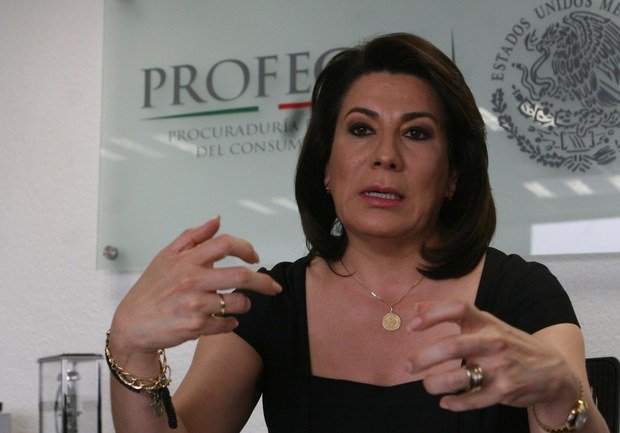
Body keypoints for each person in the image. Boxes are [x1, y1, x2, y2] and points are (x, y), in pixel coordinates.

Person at [108, 33, 609, 433]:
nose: (385, 155)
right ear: (326, 167)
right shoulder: (269, 303)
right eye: (361, 129)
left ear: (453, 175)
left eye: (416, 133)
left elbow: (571, 411)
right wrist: (131, 349)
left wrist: (563, 396)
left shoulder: (523, 294)